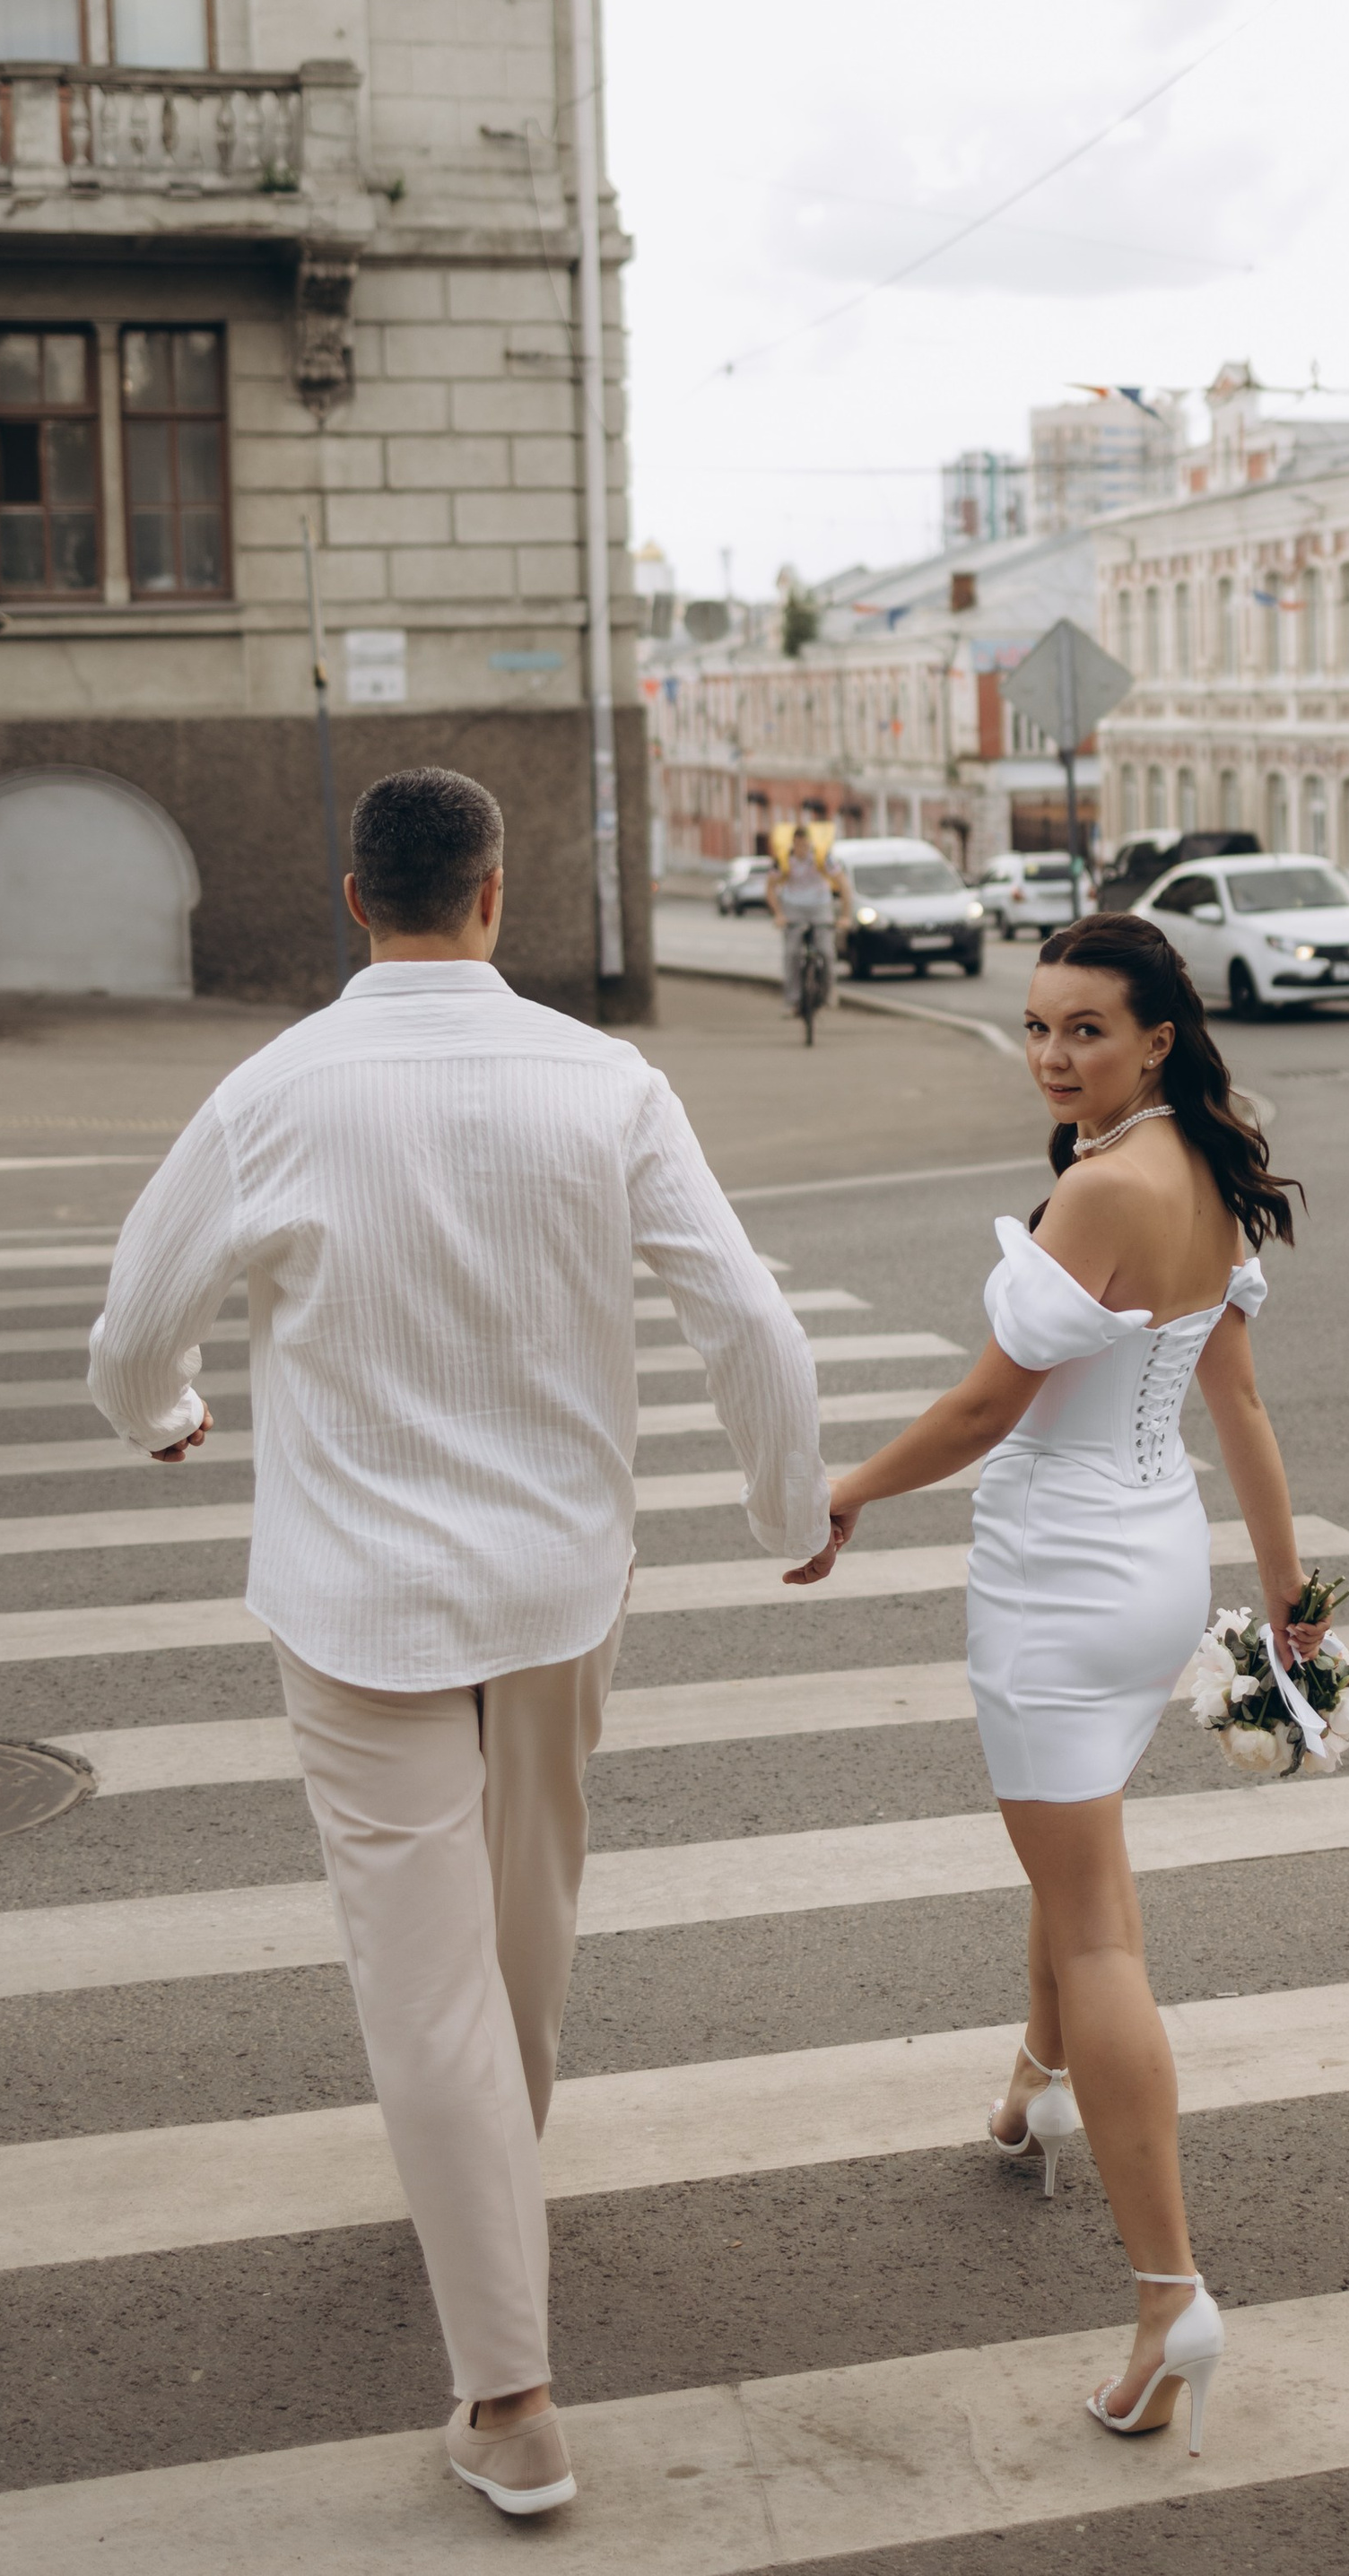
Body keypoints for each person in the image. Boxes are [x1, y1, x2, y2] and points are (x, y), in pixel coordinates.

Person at [88, 767, 829, 2520]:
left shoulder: (272, 1094)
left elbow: (131, 1330)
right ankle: (491, 2167)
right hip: (560, 1587)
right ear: (494, 896)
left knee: (420, 1978)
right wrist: (789, 1509)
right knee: (526, 1922)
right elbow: (749, 1319)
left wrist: (165, 1414)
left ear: (357, 898)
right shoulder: (607, 1082)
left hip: (358, 1606)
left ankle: (512, 2399)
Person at [785, 911, 1316, 2458]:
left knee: (1099, 1929)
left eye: (1086, 1029)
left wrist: (845, 1492)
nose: (1052, 1056)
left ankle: (1168, 2297)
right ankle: (1037, 2086)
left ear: (1157, 1036)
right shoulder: (1204, 1161)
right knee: (1073, 1850)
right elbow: (1241, 1405)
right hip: (1153, 1566)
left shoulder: (1101, 1188)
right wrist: (1290, 1601)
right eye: (1036, 1027)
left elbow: (982, 1411)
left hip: (1057, 1584)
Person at [767, 820, 846, 1016]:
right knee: (792, 954)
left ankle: (829, 993)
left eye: (805, 844)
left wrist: (845, 916)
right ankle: (792, 1001)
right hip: (793, 907)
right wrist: (779, 915)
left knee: (826, 951)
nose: (802, 849)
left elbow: (844, 885)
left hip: (820, 906)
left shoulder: (822, 858)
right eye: (798, 844)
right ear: (793, 843)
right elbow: (770, 888)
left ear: (810, 843)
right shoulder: (783, 859)